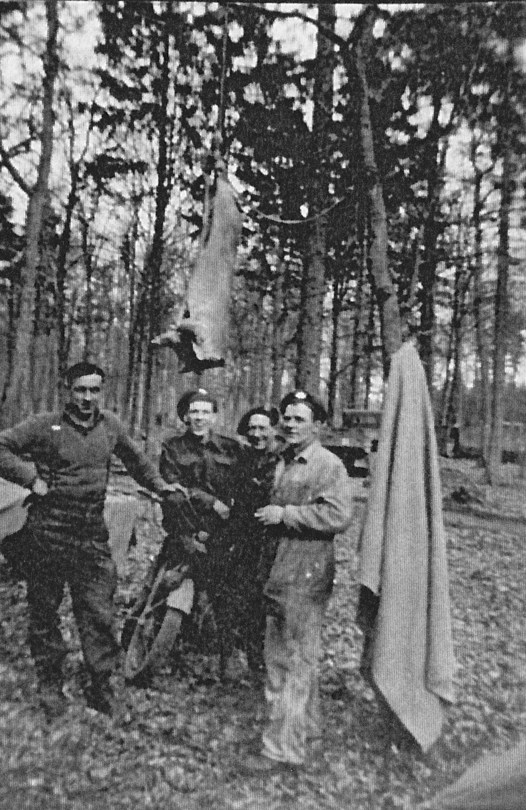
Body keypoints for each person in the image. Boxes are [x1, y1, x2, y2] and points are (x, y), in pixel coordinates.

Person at [0, 362, 178, 720]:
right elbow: (2, 447)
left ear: (101, 391)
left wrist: (160, 486)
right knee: (44, 613)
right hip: (47, 533)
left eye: (94, 390)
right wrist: (31, 479)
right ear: (68, 389)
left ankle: (102, 688)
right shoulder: (44, 425)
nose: (87, 397)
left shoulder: (110, 425)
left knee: (98, 612)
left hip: (91, 535)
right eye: (80, 390)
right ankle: (51, 686)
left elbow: (136, 460)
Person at [241, 391, 354, 774]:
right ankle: (308, 734)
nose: (289, 425)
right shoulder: (281, 460)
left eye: (299, 419)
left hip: (305, 576)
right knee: (295, 659)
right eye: (286, 418)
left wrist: (286, 514)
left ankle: (280, 751)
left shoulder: (328, 465)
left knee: (287, 664)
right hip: (278, 572)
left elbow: (339, 516)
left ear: (318, 426)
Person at [158, 389, 241, 662]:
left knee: (224, 591)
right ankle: (153, 628)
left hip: (221, 531)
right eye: (194, 412)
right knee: (167, 579)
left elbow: (242, 485)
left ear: (214, 417)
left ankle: (223, 651)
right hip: (185, 526)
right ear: (185, 416)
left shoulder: (230, 448)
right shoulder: (172, 447)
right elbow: (173, 485)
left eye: (205, 412)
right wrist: (211, 501)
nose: (199, 417)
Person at [215, 406, 281, 678]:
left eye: (262, 428)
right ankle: (229, 657)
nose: (256, 434)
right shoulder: (241, 459)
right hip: (241, 537)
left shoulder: (281, 461)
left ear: (273, 430)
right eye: (252, 428)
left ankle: (258, 659)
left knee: (262, 601)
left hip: (271, 540)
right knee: (233, 597)